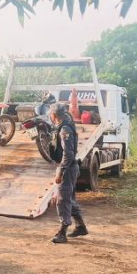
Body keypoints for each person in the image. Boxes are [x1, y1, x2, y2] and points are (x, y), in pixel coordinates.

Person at [49, 104, 88, 243]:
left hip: (67, 168)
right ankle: (80, 226)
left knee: (62, 200)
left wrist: (61, 170)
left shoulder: (64, 129)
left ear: (54, 116)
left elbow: (68, 153)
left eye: (50, 114)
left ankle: (62, 232)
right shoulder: (65, 125)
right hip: (70, 168)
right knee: (69, 198)